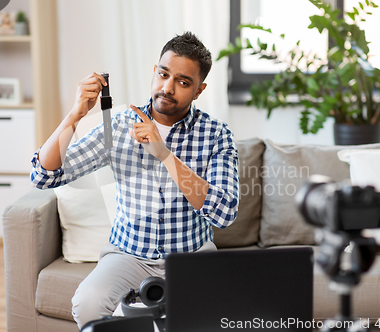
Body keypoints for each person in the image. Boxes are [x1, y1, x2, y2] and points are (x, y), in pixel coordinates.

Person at [30, 31, 239, 328]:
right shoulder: (117, 126)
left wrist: (165, 154)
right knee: (87, 304)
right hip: (129, 255)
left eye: (182, 82)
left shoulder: (216, 134)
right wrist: (75, 115)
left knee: (204, 318)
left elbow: (224, 213)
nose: (167, 88)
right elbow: (43, 176)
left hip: (191, 257)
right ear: (154, 72)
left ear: (199, 90)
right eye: (164, 74)